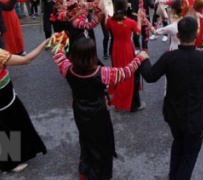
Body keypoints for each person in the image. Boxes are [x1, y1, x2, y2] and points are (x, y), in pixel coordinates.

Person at [51, 35, 148, 180]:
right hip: (98, 113)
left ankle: (84, 168)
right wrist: (140, 58)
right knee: (101, 145)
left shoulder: (67, 68)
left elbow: (58, 53)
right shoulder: (103, 73)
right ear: (92, 54)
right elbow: (126, 72)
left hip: (79, 110)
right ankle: (98, 175)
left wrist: (60, 40)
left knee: (85, 138)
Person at [140, 17, 203, 180]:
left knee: (178, 144)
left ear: (178, 35)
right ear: (197, 33)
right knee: (189, 154)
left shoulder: (169, 57)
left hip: (174, 112)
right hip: (196, 116)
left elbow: (150, 76)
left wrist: (144, 59)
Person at [0, 19, 48, 173]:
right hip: (2, 95)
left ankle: (23, 152)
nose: (0, 31)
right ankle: (10, 164)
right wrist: (44, 43)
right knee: (11, 126)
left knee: (12, 124)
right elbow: (26, 60)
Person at [106, 0, 144, 112]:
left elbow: (107, 27)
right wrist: (139, 18)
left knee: (117, 72)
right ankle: (131, 102)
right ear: (125, 6)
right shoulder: (130, 22)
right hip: (127, 49)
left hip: (116, 48)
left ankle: (118, 102)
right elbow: (138, 31)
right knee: (129, 74)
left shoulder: (110, 20)